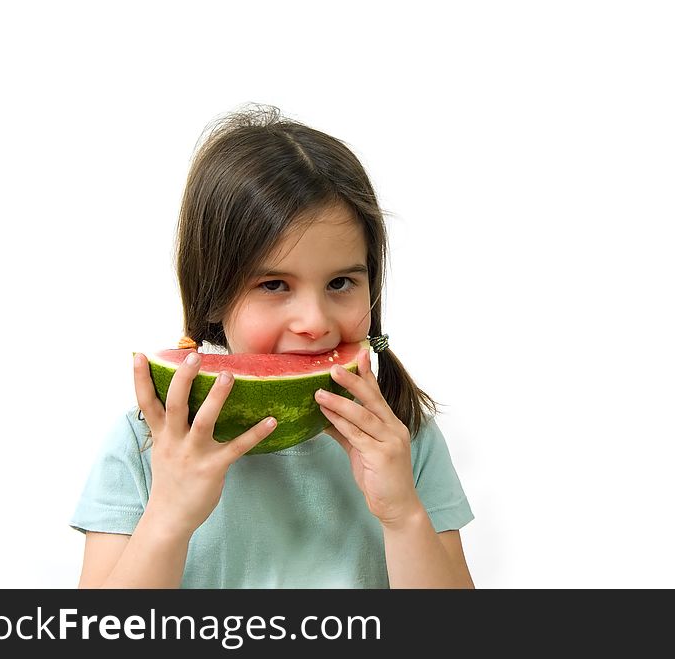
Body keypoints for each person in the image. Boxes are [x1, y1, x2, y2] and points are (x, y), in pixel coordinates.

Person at [71, 105, 474, 588]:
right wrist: (168, 518)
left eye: (341, 282)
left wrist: (403, 515)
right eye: (275, 285)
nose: (314, 321)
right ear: (213, 295)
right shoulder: (146, 443)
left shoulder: (402, 435)